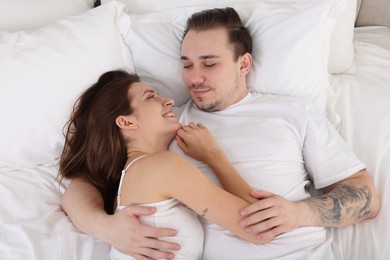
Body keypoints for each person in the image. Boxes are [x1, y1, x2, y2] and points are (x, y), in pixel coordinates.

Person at [61, 7, 380, 260]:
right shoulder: (167, 125)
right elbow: (82, 183)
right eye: (186, 65)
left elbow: (365, 196)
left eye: (209, 64)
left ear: (244, 64)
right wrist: (104, 226)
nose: (194, 78)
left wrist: (301, 213)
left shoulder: (293, 113)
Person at [59, 70, 266, 259]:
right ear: (127, 122)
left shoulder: (131, 178)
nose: (168, 100)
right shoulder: (161, 167)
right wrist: (214, 155)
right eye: (151, 97)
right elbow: (258, 228)